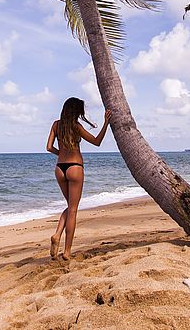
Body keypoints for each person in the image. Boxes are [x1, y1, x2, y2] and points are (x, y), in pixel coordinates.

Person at [46, 97, 112, 261]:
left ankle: (57, 234)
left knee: (70, 206)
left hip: (60, 168)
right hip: (75, 167)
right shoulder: (76, 126)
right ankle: (67, 251)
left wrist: (60, 154)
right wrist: (106, 123)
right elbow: (97, 142)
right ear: (76, 112)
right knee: (73, 209)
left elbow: (48, 147)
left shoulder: (56, 124)